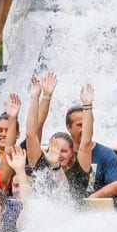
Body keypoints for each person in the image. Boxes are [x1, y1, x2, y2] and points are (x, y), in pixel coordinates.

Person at [25, 73, 91, 204]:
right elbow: (31, 134)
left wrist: (87, 105)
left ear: (72, 153)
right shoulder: (42, 165)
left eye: (64, 151)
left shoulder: (80, 168)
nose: (58, 155)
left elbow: (86, 142)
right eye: (54, 149)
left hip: (73, 218)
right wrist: (36, 97)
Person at [64, 85, 117, 207]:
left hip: (95, 210)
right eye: (80, 125)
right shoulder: (61, 153)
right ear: (68, 127)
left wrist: (91, 199)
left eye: (87, 124)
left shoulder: (106, 154)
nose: (84, 129)